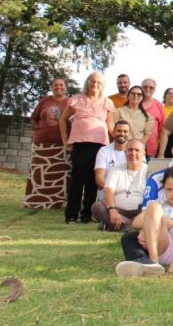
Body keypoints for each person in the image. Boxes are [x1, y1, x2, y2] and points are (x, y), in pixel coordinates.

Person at [60, 71, 115, 224]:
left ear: (102, 86)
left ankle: (87, 215)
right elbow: (63, 120)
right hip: (80, 144)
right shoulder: (77, 99)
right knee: (77, 179)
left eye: (98, 83)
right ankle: (71, 215)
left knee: (93, 181)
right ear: (87, 83)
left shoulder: (107, 102)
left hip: (99, 146)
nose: (95, 85)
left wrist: (121, 141)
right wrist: (66, 140)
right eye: (92, 81)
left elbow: (110, 127)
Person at [23, 77, 71, 209]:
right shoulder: (44, 101)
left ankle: (57, 202)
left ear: (66, 87)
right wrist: (41, 129)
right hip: (41, 143)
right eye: (55, 85)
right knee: (38, 172)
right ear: (52, 87)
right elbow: (34, 118)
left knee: (61, 174)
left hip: (62, 144)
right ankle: (35, 200)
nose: (58, 87)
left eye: (61, 85)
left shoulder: (70, 102)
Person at [92, 138, 148, 231]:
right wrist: (112, 210)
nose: (133, 153)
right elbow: (108, 190)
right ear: (125, 152)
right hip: (119, 211)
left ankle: (118, 226)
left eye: (137, 150)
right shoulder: (115, 170)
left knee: (154, 211)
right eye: (130, 150)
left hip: (141, 211)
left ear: (144, 153)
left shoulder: (149, 170)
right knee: (97, 207)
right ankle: (130, 226)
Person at [94, 120, 131, 193]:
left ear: (129, 134)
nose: (122, 133)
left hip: (129, 193)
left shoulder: (135, 151)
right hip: (107, 190)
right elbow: (99, 178)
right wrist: (110, 190)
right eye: (119, 131)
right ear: (113, 133)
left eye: (125, 131)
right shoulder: (104, 151)